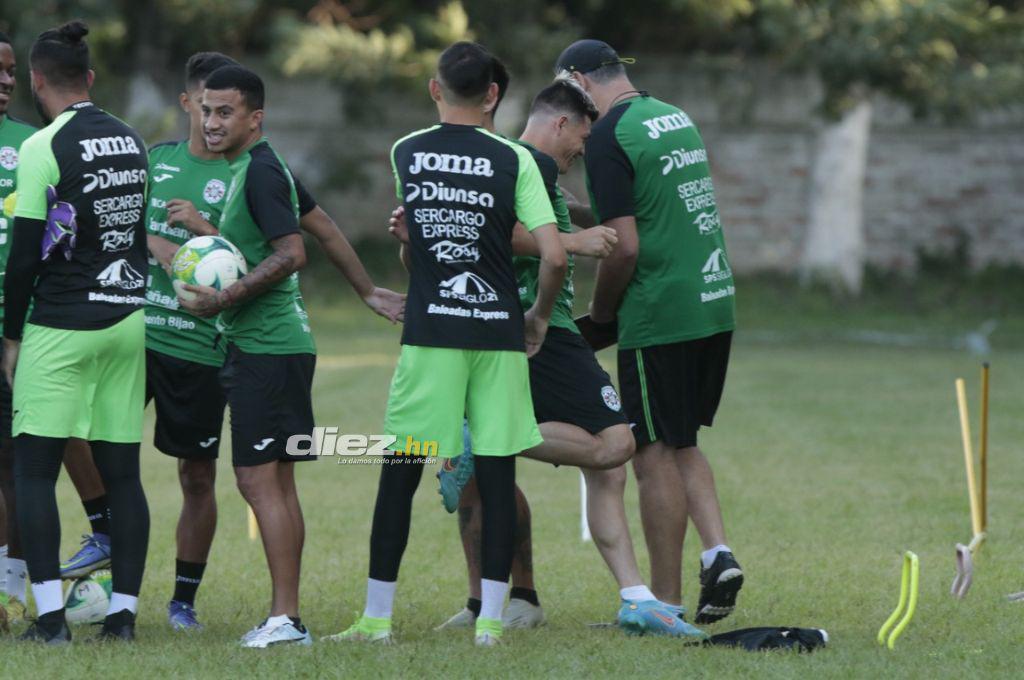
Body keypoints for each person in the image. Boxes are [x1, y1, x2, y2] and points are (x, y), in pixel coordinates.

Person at [328, 41, 566, 648]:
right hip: (498, 336)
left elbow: (423, 251)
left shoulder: (406, 151)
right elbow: (556, 254)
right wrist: (536, 316)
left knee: (399, 475)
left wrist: (411, 244)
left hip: (432, 335)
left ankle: (376, 620)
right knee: (495, 469)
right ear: (493, 96)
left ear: (435, 90)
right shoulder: (516, 159)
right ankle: (491, 622)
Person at [555, 39, 744, 624]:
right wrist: (577, 212)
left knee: (650, 454)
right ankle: (718, 553)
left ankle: (664, 603)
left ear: (579, 81)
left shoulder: (610, 135)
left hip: (660, 311)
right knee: (682, 438)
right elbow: (648, 212)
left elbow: (625, 244)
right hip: (712, 300)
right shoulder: (670, 115)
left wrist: (602, 315)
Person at [2, 20, 151, 643]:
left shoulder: (43, 147)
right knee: (123, 474)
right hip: (127, 319)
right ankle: (122, 618)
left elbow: (26, 257)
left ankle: (50, 620)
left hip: (62, 325)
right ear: (89, 79)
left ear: (37, 81)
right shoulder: (131, 139)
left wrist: (12, 336)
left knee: (33, 471)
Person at [179, 64, 317, 648]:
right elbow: (271, 243)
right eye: (207, 110)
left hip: (269, 348)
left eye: (225, 112)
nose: (211, 122)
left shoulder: (260, 170)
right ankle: (284, 617)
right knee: (274, 485)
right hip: (268, 348)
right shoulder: (249, 167)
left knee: (260, 484)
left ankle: (286, 620)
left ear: (254, 118)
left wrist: (224, 298)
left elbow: (292, 252)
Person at [0, 30, 36, 626]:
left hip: (19, 335)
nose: (6, 81)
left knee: (15, 469)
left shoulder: (31, 144)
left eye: (10, 72)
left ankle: (9, 594)